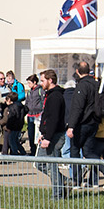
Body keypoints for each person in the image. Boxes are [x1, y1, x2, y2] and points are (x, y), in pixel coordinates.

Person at [37, 69, 69, 199]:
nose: (41, 83)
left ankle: (58, 194)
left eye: (43, 80)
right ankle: (64, 181)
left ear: (50, 80)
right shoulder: (49, 95)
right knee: (40, 164)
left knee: (51, 164)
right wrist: (43, 133)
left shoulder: (55, 96)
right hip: (49, 135)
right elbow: (47, 117)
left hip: (55, 136)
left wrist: (48, 137)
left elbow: (53, 119)